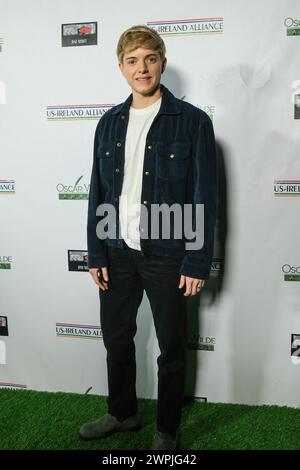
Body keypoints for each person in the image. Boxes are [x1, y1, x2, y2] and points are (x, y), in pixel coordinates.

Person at [80, 25, 217, 450]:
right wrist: (96, 251)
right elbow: (98, 193)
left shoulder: (192, 122)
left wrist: (196, 260)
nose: (142, 68)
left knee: (171, 348)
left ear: (162, 62)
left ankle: (166, 429)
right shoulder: (108, 123)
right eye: (133, 61)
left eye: (150, 58)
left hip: (168, 253)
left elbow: (203, 197)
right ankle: (122, 413)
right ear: (121, 67)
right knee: (116, 339)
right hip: (117, 252)